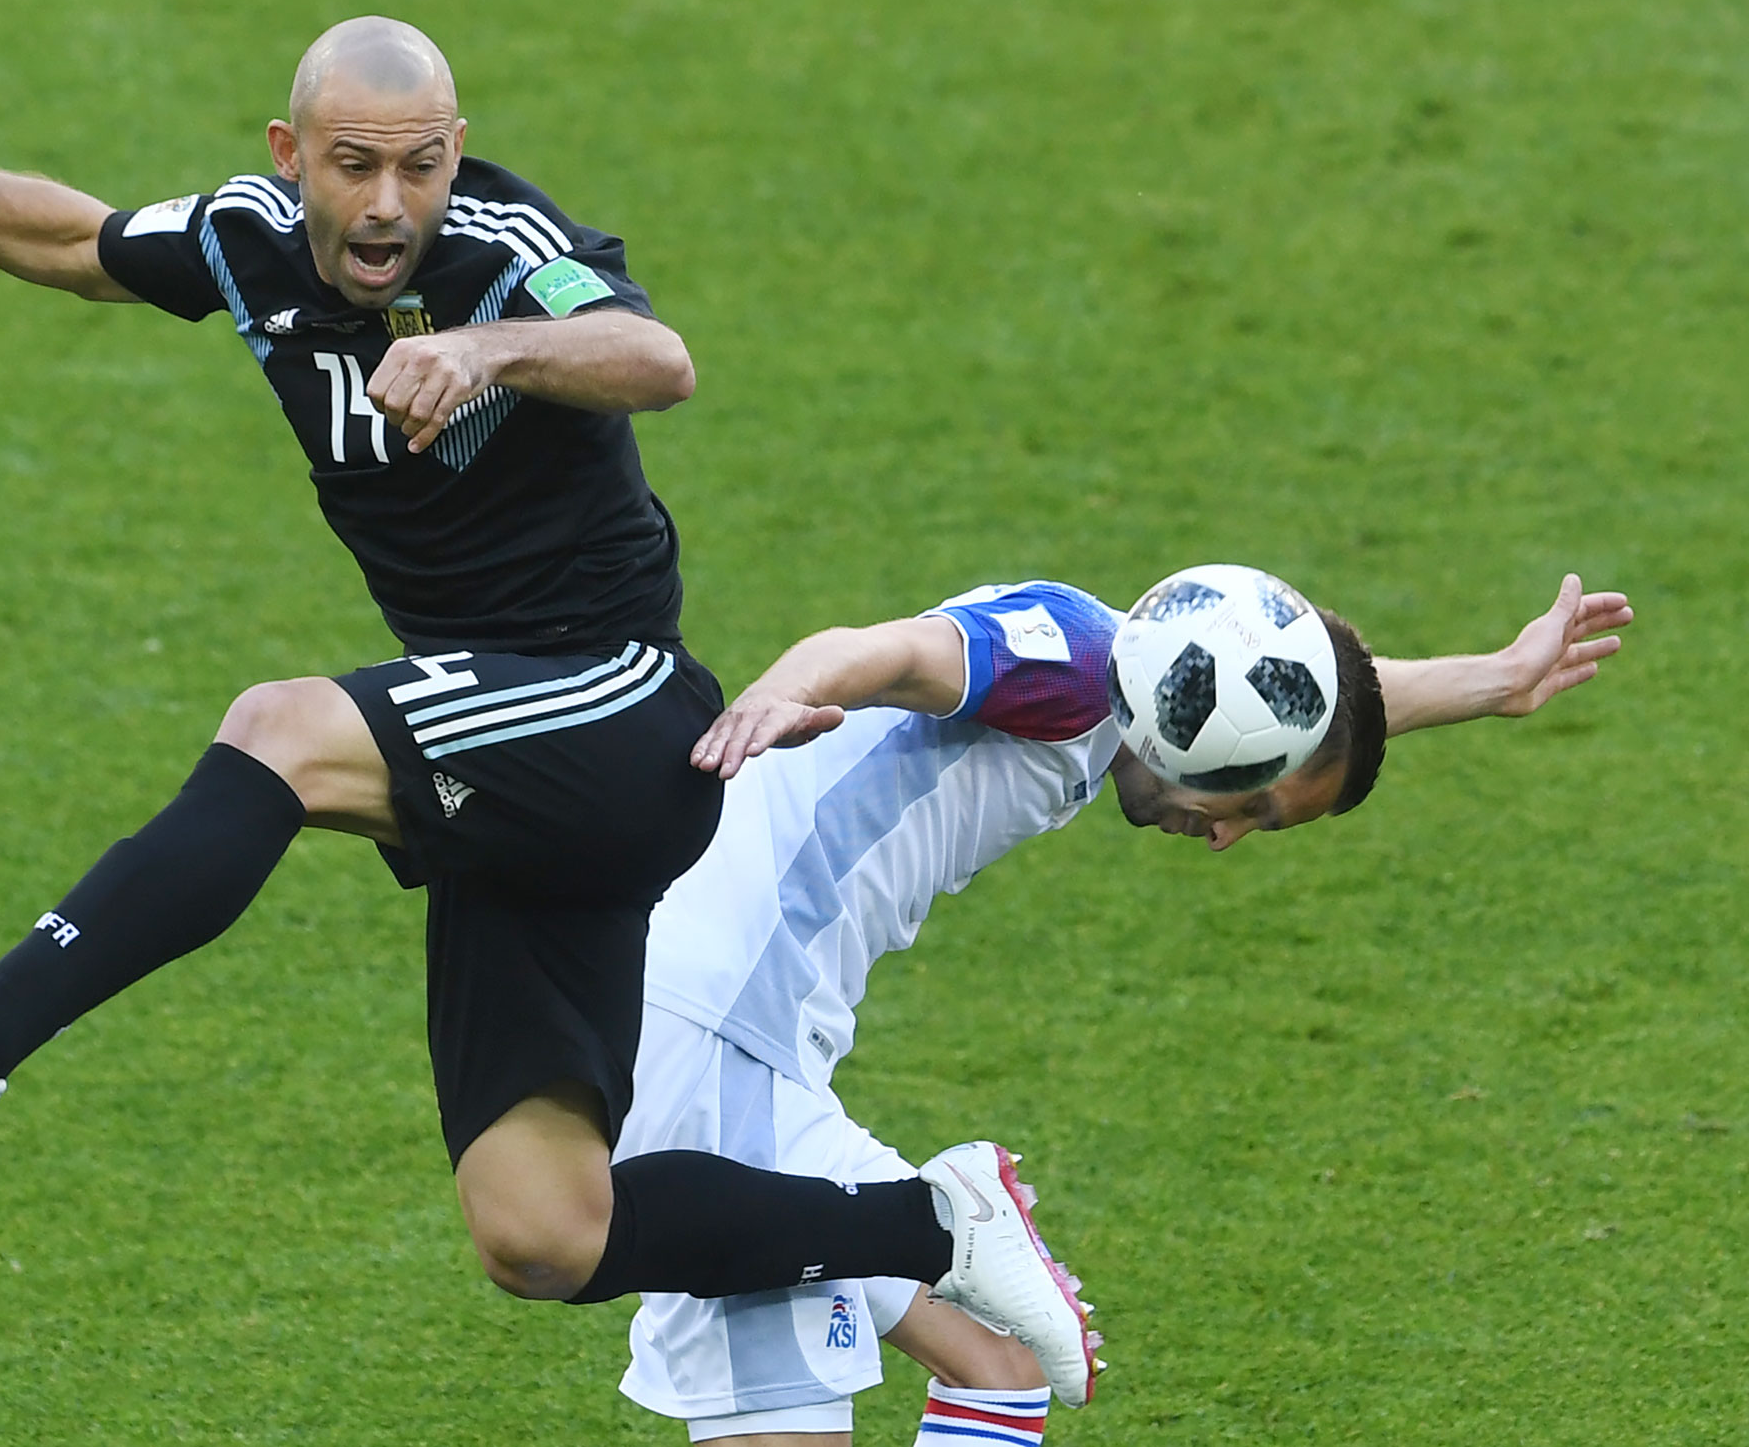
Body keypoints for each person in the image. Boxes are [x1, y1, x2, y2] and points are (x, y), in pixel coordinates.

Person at [0, 16, 1098, 1396]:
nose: (391, 204)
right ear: (293, 156)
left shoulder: (501, 243)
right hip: (505, 759)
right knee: (543, 1230)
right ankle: (935, 1222)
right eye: (357, 167)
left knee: (282, 728)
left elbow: (654, 357)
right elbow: (76, 246)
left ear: (456, 152)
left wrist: (492, 351)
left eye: (422, 165)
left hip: (611, 704)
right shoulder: (246, 234)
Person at [613, 571, 1629, 1445]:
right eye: (1255, 807)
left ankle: (950, 1232)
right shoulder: (1068, 669)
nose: (1229, 837)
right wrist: (785, 689)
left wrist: (1494, 678)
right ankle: (949, 1211)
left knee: (997, 1362)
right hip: (711, 1036)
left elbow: (1308, 707)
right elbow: (890, 651)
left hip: (741, 1024)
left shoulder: (1150, 679)